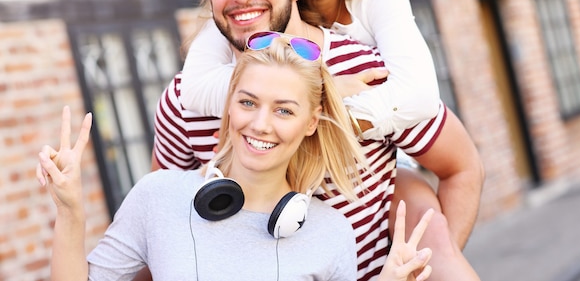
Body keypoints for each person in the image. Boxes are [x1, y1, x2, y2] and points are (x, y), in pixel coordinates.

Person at [153, 0, 483, 281]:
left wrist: (438, 258)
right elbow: (161, 225)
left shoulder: (365, 73)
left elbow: (461, 167)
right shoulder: (184, 101)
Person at [36, 38, 435, 281]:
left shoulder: (331, 234)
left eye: (283, 110)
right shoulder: (158, 196)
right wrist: (70, 212)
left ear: (311, 122)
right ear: (229, 106)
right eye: (248, 102)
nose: (260, 124)